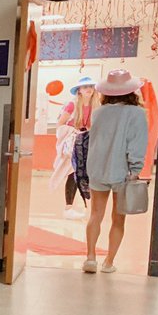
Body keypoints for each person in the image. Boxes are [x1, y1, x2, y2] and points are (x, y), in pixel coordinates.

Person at [83, 68, 148, 274]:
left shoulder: (98, 112)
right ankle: (108, 262)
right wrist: (135, 169)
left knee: (95, 214)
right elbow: (136, 144)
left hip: (97, 168)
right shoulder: (137, 114)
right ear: (131, 90)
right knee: (118, 218)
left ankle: (90, 258)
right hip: (122, 172)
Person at [49, 76, 97, 219]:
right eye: (85, 87)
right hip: (73, 143)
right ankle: (68, 207)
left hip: (85, 142)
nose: (89, 89)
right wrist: (74, 131)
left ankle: (77, 206)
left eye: (90, 86)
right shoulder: (72, 105)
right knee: (73, 172)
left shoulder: (95, 106)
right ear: (79, 90)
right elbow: (60, 124)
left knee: (81, 173)